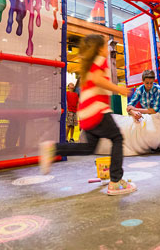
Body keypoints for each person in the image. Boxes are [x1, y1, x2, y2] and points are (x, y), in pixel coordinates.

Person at [39, 34, 136, 196]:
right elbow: (98, 80)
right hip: (97, 110)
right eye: (105, 46)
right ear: (99, 49)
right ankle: (116, 181)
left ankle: (53, 148)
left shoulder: (88, 66)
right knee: (117, 138)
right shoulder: (100, 60)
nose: (107, 49)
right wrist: (118, 89)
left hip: (86, 113)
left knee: (88, 148)